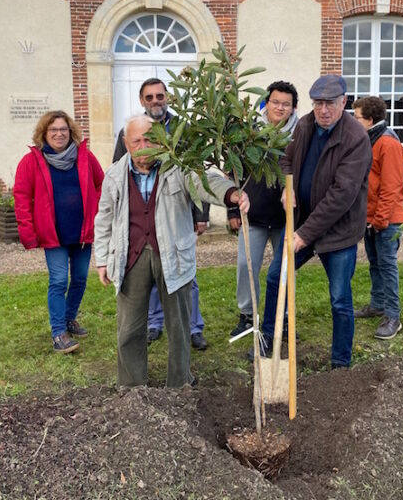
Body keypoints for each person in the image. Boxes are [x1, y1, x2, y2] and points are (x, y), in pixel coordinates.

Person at [95, 115, 250, 388]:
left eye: (149, 138)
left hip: (173, 254)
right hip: (131, 255)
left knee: (179, 325)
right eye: (137, 140)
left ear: (160, 138)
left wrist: (231, 194)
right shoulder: (114, 175)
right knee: (129, 327)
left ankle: (180, 382)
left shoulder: (178, 166)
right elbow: (104, 217)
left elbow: (205, 182)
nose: (144, 145)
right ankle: (132, 386)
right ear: (126, 144)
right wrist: (103, 259)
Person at [257, 75, 371, 369]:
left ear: (343, 102)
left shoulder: (356, 138)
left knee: (339, 299)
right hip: (302, 222)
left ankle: (340, 364)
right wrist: (287, 185)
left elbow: (341, 196)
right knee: (275, 278)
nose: (323, 110)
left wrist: (303, 235)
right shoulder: (305, 125)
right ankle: (268, 342)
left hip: (338, 232)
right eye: (318, 103)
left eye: (330, 103)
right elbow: (286, 160)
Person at [113, 78, 209, 351]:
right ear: (142, 101)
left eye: (160, 96)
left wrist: (200, 215)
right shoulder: (131, 131)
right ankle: (155, 323)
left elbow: (198, 173)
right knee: (151, 275)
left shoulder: (184, 130)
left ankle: (193, 327)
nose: (155, 101)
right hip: (144, 217)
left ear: (167, 98)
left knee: (185, 274)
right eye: (150, 97)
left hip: (177, 213)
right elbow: (119, 170)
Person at [14, 110, 105, 354]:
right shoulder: (31, 161)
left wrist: (96, 210)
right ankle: (58, 332)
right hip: (53, 233)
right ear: (44, 133)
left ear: (71, 132)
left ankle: (68, 318)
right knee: (57, 281)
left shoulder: (84, 157)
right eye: (53, 130)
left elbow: (100, 183)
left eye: (63, 129)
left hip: (82, 230)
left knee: (80, 279)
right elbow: (21, 197)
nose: (59, 134)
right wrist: (27, 231)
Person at [228, 80, 300, 337]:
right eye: (275, 102)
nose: (280, 108)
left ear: (293, 108)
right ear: (266, 103)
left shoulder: (299, 136)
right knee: (246, 266)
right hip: (254, 215)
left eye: (286, 104)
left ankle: (285, 316)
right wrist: (233, 211)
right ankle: (248, 315)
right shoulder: (250, 133)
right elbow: (234, 170)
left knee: (284, 268)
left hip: (285, 218)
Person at [352, 96, 403, 340]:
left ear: (371, 120)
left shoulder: (388, 144)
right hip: (372, 217)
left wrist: (380, 219)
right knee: (375, 263)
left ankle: (393, 316)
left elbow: (391, 185)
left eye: (357, 118)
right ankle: (377, 304)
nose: (354, 122)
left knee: (387, 265)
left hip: (386, 219)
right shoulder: (370, 140)